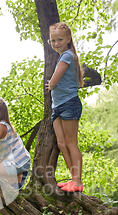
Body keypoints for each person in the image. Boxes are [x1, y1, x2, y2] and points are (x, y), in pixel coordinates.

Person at [45, 22, 84, 192]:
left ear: (68, 39)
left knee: (71, 142)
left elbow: (55, 78)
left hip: (69, 104)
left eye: (60, 39)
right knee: (61, 143)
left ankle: (77, 182)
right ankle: (73, 179)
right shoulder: (63, 55)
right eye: (53, 40)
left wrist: (51, 85)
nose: (56, 43)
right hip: (58, 106)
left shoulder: (68, 56)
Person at [0, 96, 31, 190]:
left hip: (19, 160)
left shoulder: (1, 126)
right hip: (9, 157)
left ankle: (17, 177)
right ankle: (14, 180)